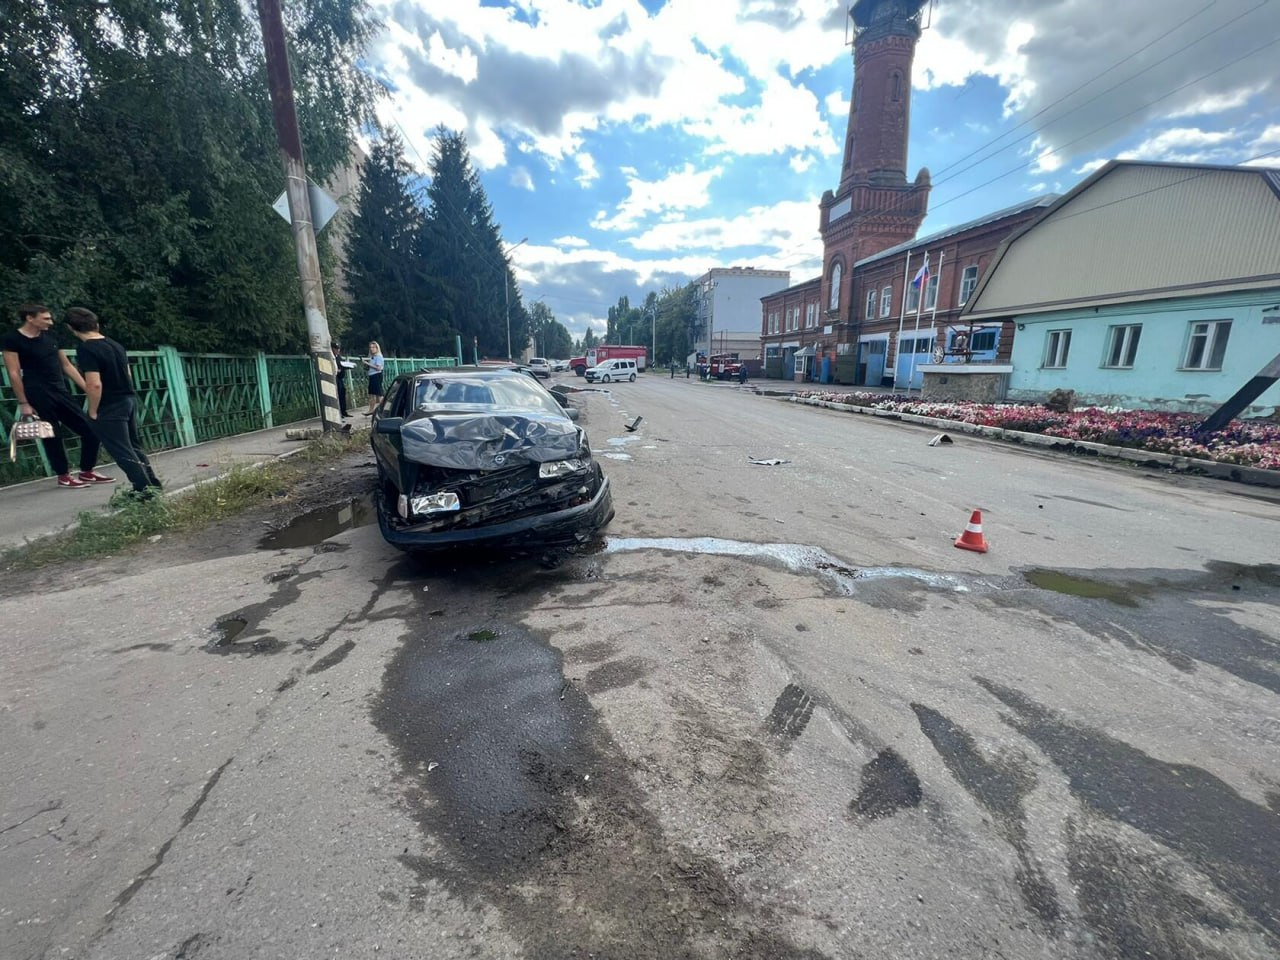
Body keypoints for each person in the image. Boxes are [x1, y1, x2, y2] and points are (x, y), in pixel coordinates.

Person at [2, 303, 113, 488]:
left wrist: (87, 387)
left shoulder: (51, 337)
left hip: (60, 390)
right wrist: (23, 402)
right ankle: (63, 475)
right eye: (45, 318)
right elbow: (13, 372)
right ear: (30, 318)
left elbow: (66, 365)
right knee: (52, 434)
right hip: (37, 392)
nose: (50, 322)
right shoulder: (12, 339)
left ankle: (87, 470)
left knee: (91, 429)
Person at [65, 307, 160, 499]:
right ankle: (152, 484)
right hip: (128, 399)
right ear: (96, 325)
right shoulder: (115, 344)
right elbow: (128, 373)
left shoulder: (86, 349)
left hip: (109, 404)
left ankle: (143, 491)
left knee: (121, 450)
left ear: (71, 328)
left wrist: (92, 410)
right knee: (133, 446)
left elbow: (94, 384)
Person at [362, 341, 384, 416]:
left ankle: (382, 409)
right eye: (370, 347)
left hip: (376, 375)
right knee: (372, 394)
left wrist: (367, 363)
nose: (372, 349)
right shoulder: (372, 357)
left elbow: (378, 368)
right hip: (372, 375)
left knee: (379, 393)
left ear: (377, 348)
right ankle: (371, 410)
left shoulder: (378, 357)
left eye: (373, 347)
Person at [332, 340, 350, 418]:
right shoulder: (331, 357)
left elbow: (342, 364)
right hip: (334, 378)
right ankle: (339, 413)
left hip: (340, 378)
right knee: (337, 395)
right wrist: (337, 370)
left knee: (342, 393)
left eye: (338, 348)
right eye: (336, 348)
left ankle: (344, 411)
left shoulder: (339, 357)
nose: (338, 350)